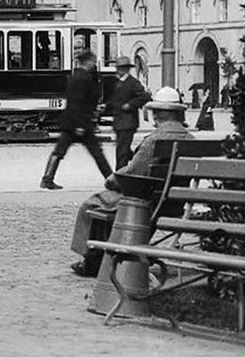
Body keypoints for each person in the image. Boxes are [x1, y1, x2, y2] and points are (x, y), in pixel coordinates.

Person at [68, 86, 194, 276]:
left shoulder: (155, 141)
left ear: (157, 114)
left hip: (145, 202)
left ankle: (92, 261)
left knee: (92, 205)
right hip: (173, 203)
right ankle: (98, 258)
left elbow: (133, 172)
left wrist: (112, 179)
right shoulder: (189, 139)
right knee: (105, 204)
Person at [40, 49, 112, 190]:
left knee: (60, 151)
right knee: (97, 152)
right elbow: (78, 102)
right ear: (88, 61)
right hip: (81, 123)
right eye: (92, 61)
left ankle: (47, 178)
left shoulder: (76, 76)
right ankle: (111, 180)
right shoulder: (83, 78)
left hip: (72, 122)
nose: (94, 64)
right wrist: (80, 124)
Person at [104, 55, 153, 170]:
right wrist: (106, 106)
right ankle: (139, 161)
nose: (119, 70)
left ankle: (120, 174)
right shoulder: (118, 82)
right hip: (119, 122)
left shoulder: (133, 83)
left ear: (126, 69)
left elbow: (144, 97)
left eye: (121, 68)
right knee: (123, 149)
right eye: (118, 68)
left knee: (122, 150)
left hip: (128, 122)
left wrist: (130, 104)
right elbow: (115, 100)